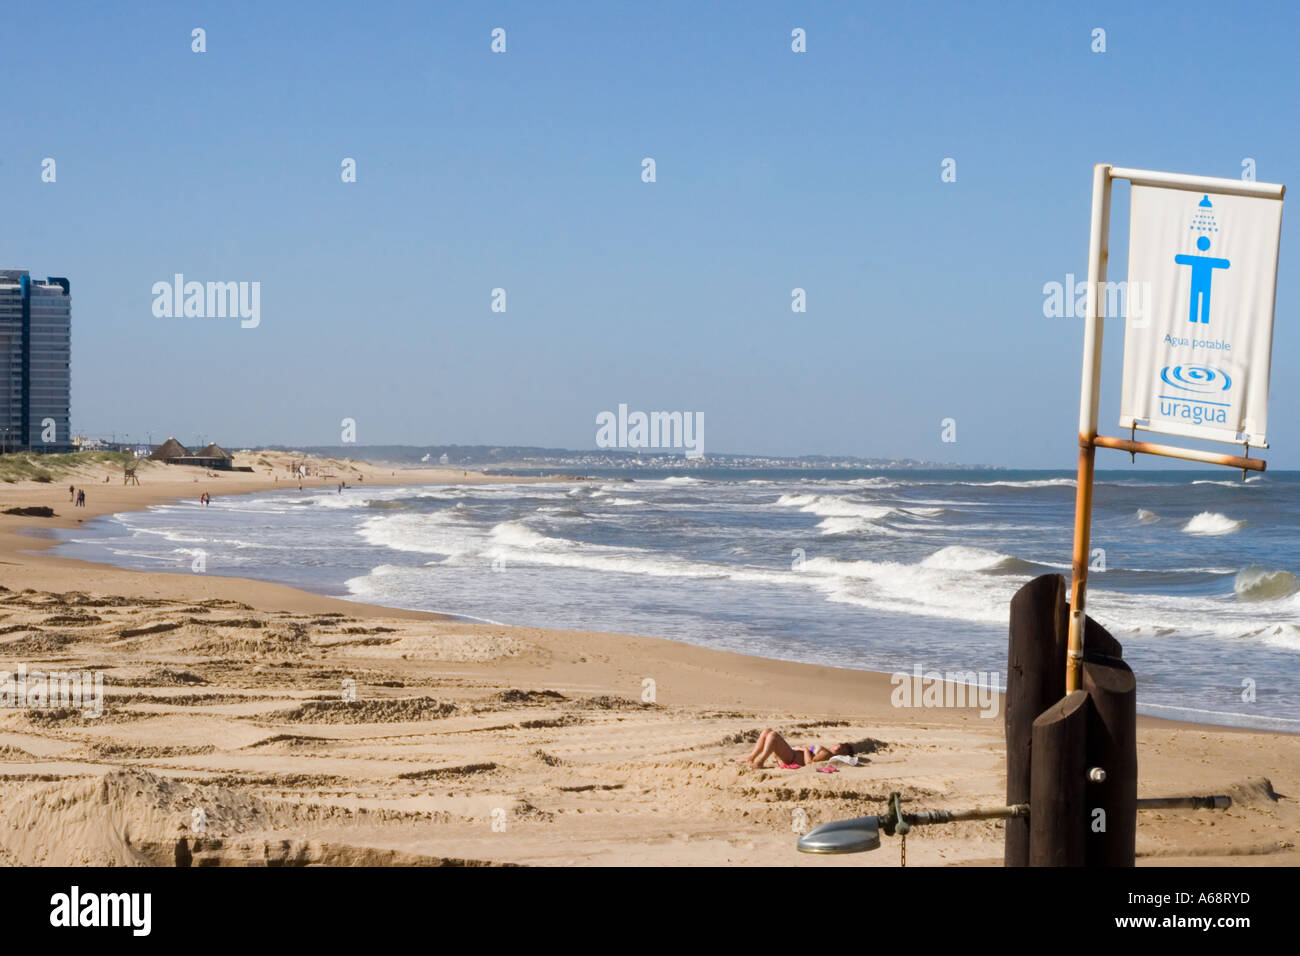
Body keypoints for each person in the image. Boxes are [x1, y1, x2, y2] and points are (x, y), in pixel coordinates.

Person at [741, 729, 854, 768]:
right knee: (767, 731)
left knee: (773, 735)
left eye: (843, 749)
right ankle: (751, 757)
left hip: (793, 758)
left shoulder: (826, 753)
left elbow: (810, 763)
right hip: (792, 754)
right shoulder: (825, 750)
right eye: (841, 745)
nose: (839, 746)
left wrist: (805, 750)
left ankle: (760, 761)